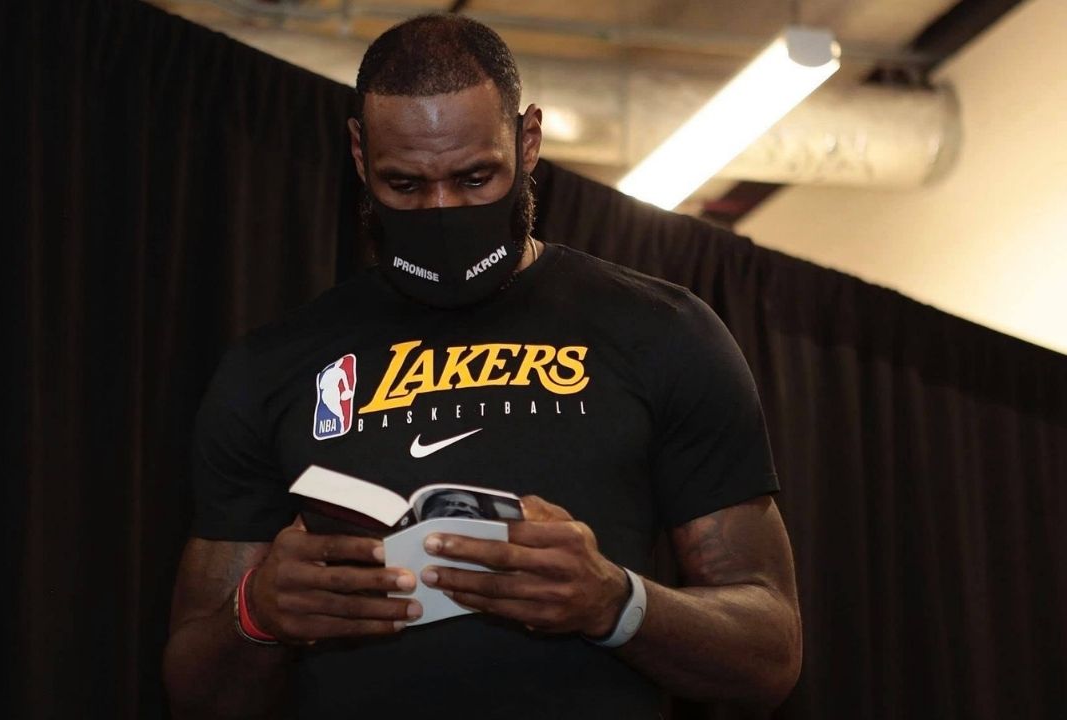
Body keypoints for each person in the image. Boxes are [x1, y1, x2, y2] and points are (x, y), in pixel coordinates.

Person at [163, 13, 801, 719]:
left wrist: (615, 602)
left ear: (528, 140)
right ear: (357, 152)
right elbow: (195, 691)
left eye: (474, 178)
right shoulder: (273, 367)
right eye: (404, 185)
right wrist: (257, 615)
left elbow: (769, 651)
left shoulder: (662, 332)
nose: (441, 210)